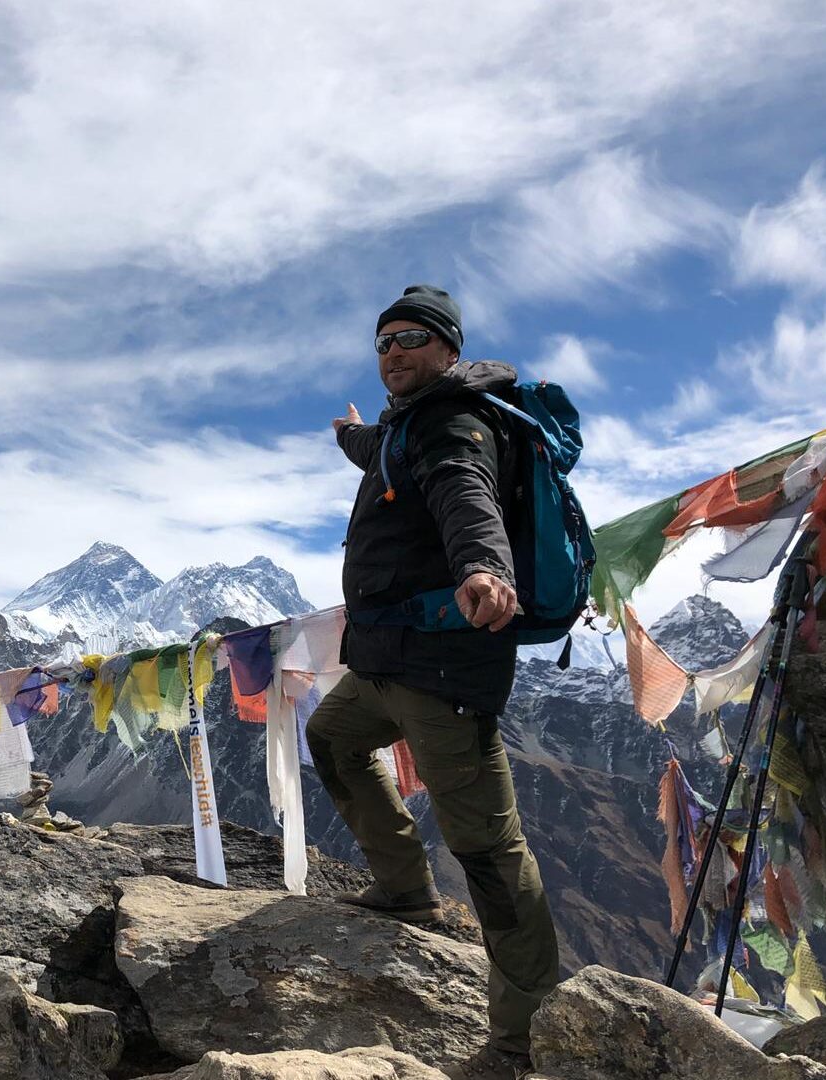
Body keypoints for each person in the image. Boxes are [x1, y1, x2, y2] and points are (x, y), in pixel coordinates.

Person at [309, 286, 560, 1080]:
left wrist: (484, 565)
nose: (395, 353)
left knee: (488, 849)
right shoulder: (401, 428)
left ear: (450, 350)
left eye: (413, 339)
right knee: (331, 739)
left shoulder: (454, 422)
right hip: (384, 664)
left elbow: (465, 495)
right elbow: (382, 451)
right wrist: (351, 432)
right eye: (384, 342)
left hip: (443, 670)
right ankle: (404, 887)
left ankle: (524, 1041)